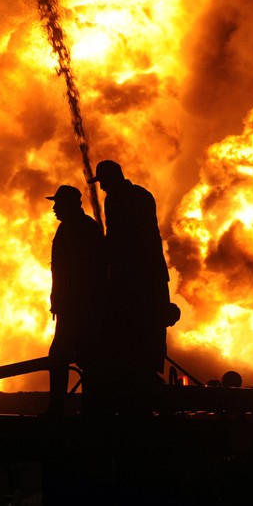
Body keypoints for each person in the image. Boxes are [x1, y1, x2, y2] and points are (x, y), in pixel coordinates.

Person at [88, 160, 175, 413]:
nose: (102, 187)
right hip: (151, 276)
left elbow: (119, 237)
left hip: (133, 278)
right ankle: (143, 391)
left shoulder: (117, 199)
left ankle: (141, 398)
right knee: (148, 336)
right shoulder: (142, 195)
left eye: (103, 182)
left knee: (130, 336)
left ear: (111, 178)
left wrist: (102, 255)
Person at [44, 185, 106, 416]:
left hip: (79, 307)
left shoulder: (80, 229)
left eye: (58, 203)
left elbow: (85, 272)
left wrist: (70, 301)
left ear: (70, 204)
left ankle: (64, 409)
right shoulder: (74, 227)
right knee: (83, 357)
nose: (54, 208)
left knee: (66, 356)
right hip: (71, 306)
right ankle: (89, 408)